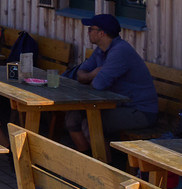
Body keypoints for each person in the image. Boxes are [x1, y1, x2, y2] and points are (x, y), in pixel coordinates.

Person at [63, 15, 160, 153]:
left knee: (92, 122)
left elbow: (98, 84)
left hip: (140, 111)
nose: (88, 32)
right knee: (72, 116)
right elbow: (80, 73)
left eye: (90, 29)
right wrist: (93, 74)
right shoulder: (101, 50)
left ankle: (104, 163)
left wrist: (89, 77)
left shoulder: (120, 51)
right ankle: (85, 157)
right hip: (118, 105)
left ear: (101, 33)